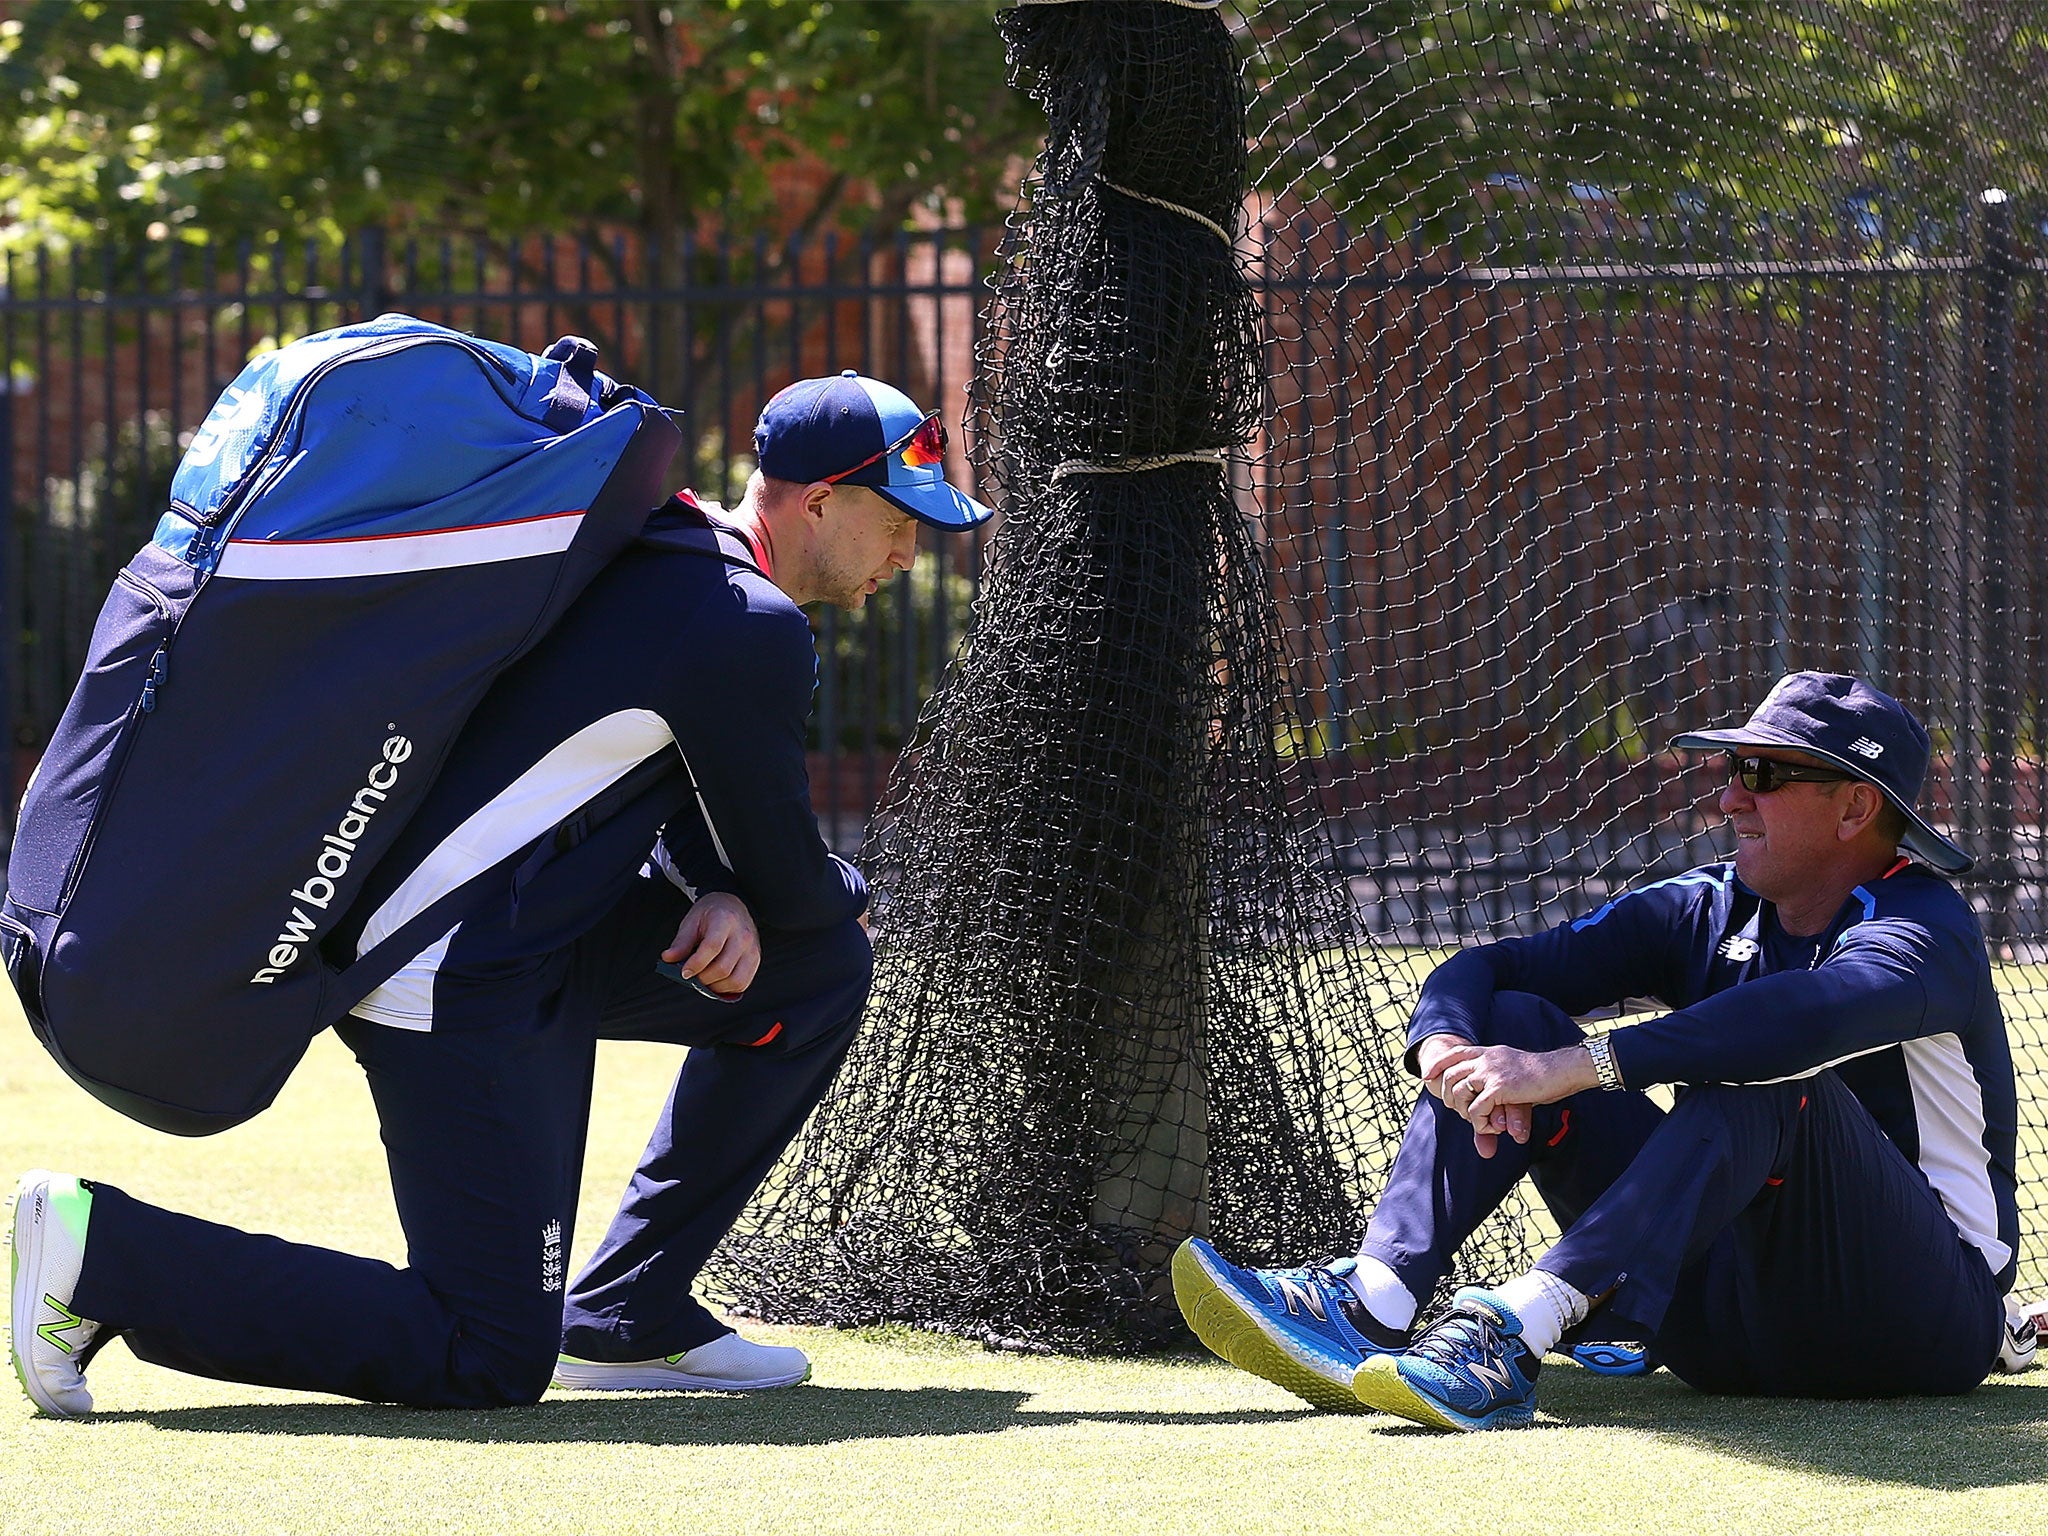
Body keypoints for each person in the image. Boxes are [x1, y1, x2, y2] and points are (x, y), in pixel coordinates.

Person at [9, 370, 992, 1415]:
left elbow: (650, 776)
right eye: (896, 520)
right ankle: (100, 1256)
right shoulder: (744, 623)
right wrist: (793, 890)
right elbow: (793, 881)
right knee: (486, 1354)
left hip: (538, 930)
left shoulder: (670, 553)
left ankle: (629, 1317)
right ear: (816, 501)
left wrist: (720, 887)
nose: (906, 554)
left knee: (816, 973)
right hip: (449, 966)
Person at [1176, 671, 2027, 1430]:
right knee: (1514, 1018)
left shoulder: (1926, 931)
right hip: (1721, 1335)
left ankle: (1513, 1329)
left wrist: (1574, 1069)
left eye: (1762, 775)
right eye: (1731, 772)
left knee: (1762, 1069)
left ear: (1855, 807)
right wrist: (1447, 1048)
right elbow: (1494, 966)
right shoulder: (1707, 907)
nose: (1730, 800)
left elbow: (1799, 1022)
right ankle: (1374, 1298)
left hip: (1916, 1321)